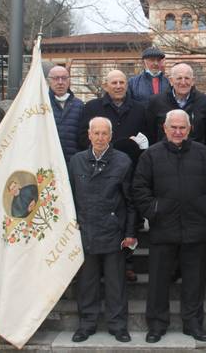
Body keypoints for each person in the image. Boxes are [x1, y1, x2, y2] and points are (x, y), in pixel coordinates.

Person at [133, 110, 206, 344]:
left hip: (195, 227)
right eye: (174, 127)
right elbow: (139, 189)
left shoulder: (203, 154)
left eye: (183, 127)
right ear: (165, 128)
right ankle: (157, 325)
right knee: (159, 281)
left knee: (194, 281)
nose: (178, 131)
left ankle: (193, 324)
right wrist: (155, 210)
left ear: (189, 129)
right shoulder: (151, 155)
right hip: (163, 228)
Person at [69, 117, 136, 343]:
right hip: (85, 230)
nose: (99, 138)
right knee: (87, 282)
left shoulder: (123, 161)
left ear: (110, 136)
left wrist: (130, 232)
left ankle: (118, 326)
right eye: (95, 133)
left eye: (104, 133)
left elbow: (130, 201)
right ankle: (86, 324)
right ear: (89, 135)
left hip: (113, 232)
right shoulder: (76, 161)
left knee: (116, 283)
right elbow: (68, 197)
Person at [79, 69, 148, 282]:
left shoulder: (139, 108)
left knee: (129, 219)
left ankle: (126, 263)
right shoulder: (92, 108)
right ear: (105, 86)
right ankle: (99, 266)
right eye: (114, 82)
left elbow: (147, 139)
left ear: (127, 85)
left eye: (122, 82)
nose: (118, 86)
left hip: (131, 170)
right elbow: (82, 138)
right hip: (97, 171)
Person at [145, 62, 206, 146]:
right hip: (164, 155)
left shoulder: (205, 102)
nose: (183, 82)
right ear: (171, 80)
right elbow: (151, 133)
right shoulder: (156, 102)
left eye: (187, 78)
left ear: (192, 81)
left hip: (195, 155)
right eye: (179, 78)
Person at [46, 65, 84, 163]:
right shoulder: (42, 104)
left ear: (69, 81)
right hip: (47, 161)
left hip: (72, 161)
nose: (60, 82)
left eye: (64, 78)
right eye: (55, 78)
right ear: (49, 81)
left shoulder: (79, 105)